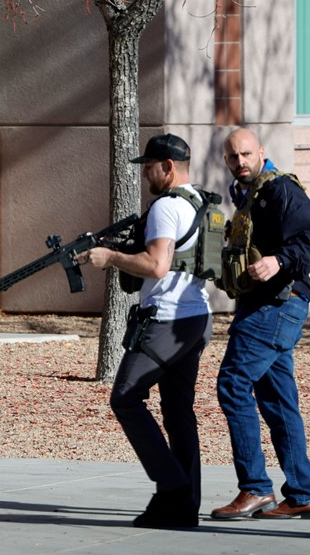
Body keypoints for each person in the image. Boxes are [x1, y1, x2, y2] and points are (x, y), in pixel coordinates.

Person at [79, 133, 213, 528]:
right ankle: (183, 506)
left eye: (150, 167)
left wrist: (111, 257)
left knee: (125, 397)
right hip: (196, 318)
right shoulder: (202, 203)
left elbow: (156, 265)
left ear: (168, 167)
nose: (146, 174)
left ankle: (172, 487)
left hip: (167, 320)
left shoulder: (166, 207)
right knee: (177, 411)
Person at [211, 127, 310, 521]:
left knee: (232, 383)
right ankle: (302, 494)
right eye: (232, 157)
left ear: (260, 152)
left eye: (245, 154)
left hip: (277, 304)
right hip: (263, 305)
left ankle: (256, 489)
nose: (239, 162)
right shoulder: (246, 194)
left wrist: (278, 260)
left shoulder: (279, 190)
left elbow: (309, 239)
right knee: (277, 399)